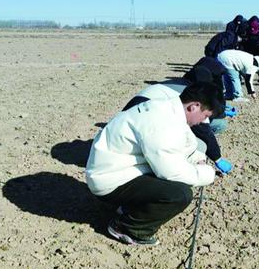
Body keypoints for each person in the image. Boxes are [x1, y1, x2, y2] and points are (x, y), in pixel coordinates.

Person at [86, 83, 224, 246]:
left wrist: (197, 159)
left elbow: (185, 144)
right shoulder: (160, 121)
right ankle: (127, 227)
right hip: (109, 179)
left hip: (120, 168)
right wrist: (207, 173)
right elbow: (172, 172)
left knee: (180, 176)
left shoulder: (168, 108)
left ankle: (131, 207)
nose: (203, 121)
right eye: (205, 115)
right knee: (179, 194)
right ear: (194, 107)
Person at [238, 15, 259, 84]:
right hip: (248, 51)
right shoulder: (246, 30)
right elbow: (242, 40)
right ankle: (243, 78)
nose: (253, 29)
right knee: (245, 65)